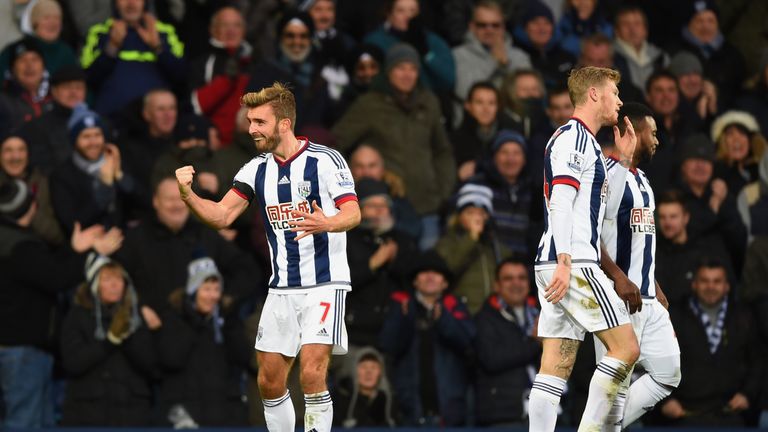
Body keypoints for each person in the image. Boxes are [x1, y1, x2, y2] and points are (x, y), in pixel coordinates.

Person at [175, 82, 361, 432]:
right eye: (250, 121)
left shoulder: (324, 160)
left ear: (284, 124)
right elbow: (221, 216)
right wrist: (188, 195)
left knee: (311, 372)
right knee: (269, 381)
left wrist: (328, 222)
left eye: (259, 121)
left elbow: (353, 214)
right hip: (281, 289)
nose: (251, 129)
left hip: (324, 283)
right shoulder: (255, 169)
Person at [529, 66, 639, 431]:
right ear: (594, 94)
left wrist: (623, 161)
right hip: (573, 261)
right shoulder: (574, 138)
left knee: (555, 365)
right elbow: (561, 200)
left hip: (560, 260)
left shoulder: (586, 142)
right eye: (614, 92)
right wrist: (565, 261)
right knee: (626, 349)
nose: (619, 101)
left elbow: (601, 212)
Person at [0, 178, 121, 429]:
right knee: (24, 422)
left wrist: (75, 250)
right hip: (22, 351)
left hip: (23, 350)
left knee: (38, 421)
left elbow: (49, 270)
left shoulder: (17, 242)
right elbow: (57, 278)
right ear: (30, 206)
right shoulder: (20, 247)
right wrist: (93, 253)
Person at [597, 102, 681, 430]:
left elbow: (638, 239)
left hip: (646, 296)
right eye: (653, 133)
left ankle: (603, 428)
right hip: (616, 298)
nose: (658, 140)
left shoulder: (643, 179)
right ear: (632, 131)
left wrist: (654, 284)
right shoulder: (605, 172)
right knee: (613, 386)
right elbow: (589, 236)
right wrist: (618, 277)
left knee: (668, 372)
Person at [332, 43, 455, 250]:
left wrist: (443, 191)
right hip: (389, 207)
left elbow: (442, 151)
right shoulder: (370, 104)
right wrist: (359, 179)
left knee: (426, 272)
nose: (407, 75)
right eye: (400, 68)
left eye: (413, 69)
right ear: (388, 71)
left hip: (428, 206)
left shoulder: (428, 102)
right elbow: (335, 143)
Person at [659, 258, 763, 427]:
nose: (710, 287)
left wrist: (747, 394)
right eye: (704, 281)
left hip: (731, 414)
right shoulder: (673, 317)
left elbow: (757, 361)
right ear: (694, 284)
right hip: (682, 415)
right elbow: (657, 360)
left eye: (717, 281)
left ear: (727, 286)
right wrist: (665, 401)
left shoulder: (744, 316)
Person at [59, 253, 157, 426]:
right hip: (88, 413)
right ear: (95, 284)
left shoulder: (136, 316)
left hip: (131, 413)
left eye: (119, 279)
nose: (114, 285)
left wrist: (127, 339)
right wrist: (109, 342)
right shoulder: (78, 315)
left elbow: (151, 365)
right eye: (107, 279)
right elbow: (73, 363)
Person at [378, 250, 475, 426]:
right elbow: (388, 346)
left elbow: (468, 343)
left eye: (436, 272)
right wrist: (404, 319)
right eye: (424, 272)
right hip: (410, 411)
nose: (430, 276)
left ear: (445, 283)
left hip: (450, 412)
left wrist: (443, 319)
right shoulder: (402, 307)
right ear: (415, 281)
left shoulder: (455, 307)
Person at [155, 256, 251, 426]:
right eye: (206, 289)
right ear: (193, 291)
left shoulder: (226, 319)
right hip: (186, 415)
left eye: (216, 289)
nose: (213, 296)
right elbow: (171, 359)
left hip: (223, 415)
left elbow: (242, 357)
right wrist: (194, 322)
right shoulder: (174, 318)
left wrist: (228, 322)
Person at [80, 0, 185, 116]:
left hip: (155, 123)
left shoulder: (165, 32)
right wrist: (112, 47)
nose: (131, 3)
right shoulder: (99, 32)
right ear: (115, 3)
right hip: (112, 118)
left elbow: (181, 77)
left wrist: (158, 47)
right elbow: (87, 79)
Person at [473, 257, 541, 426]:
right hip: (502, 416)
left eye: (521, 278)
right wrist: (537, 342)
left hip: (545, 412)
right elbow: (492, 359)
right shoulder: (484, 318)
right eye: (508, 278)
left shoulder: (541, 314)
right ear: (496, 285)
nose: (516, 283)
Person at [189, 6, 252, 147]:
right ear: (213, 30)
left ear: (244, 31)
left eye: (236, 25)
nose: (231, 30)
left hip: (252, 144)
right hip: (215, 145)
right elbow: (196, 105)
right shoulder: (202, 63)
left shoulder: (257, 61)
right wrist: (226, 81)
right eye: (224, 25)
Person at [332, 347, 396, 427]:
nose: (368, 372)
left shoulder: (389, 402)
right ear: (354, 371)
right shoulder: (341, 399)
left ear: (380, 372)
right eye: (363, 367)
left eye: (373, 367)